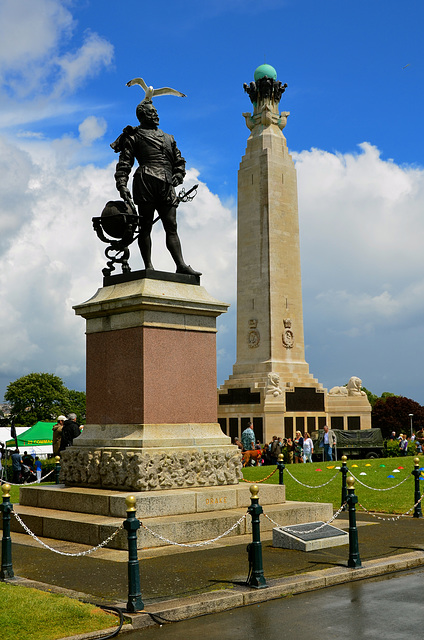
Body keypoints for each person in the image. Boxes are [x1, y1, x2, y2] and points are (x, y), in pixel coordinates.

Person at [112, 100, 200, 276]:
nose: (156, 114)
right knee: (145, 226)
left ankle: (180, 264)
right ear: (142, 115)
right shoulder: (133, 136)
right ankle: (148, 266)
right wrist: (122, 184)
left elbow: (179, 161)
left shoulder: (169, 138)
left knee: (171, 225)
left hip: (166, 183)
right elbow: (125, 163)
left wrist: (179, 174)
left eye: (156, 111)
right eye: (152, 112)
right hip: (145, 181)